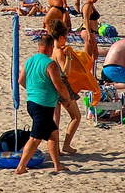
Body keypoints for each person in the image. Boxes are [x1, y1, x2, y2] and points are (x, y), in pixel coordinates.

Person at [16, 34, 70, 174]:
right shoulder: (50, 64)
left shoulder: (30, 60)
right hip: (43, 105)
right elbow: (59, 86)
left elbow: (21, 81)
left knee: (53, 134)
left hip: (32, 102)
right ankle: (21, 167)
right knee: (35, 138)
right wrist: (68, 98)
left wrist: (33, 89)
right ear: (51, 47)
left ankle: (57, 165)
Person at [48, 21, 81, 154]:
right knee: (76, 117)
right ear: (61, 37)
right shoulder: (60, 52)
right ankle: (66, 145)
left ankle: (55, 149)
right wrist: (69, 58)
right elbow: (65, 71)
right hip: (62, 85)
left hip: (52, 85)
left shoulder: (52, 49)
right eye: (66, 37)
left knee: (56, 120)